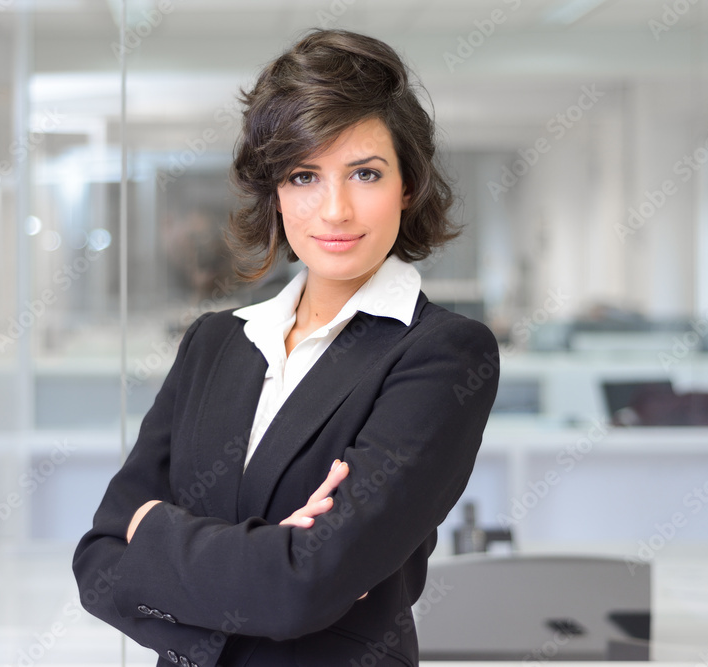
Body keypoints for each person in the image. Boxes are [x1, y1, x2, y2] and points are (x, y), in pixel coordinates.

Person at [73, 28, 500, 667]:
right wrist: (273, 558)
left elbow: (303, 588)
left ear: (407, 187)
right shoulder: (216, 343)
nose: (334, 209)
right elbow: (100, 561)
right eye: (304, 175)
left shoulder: (442, 356)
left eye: (365, 173)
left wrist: (157, 534)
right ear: (275, 192)